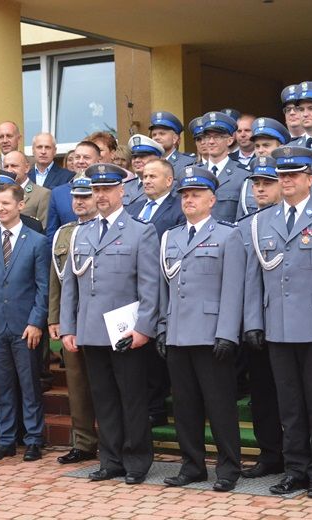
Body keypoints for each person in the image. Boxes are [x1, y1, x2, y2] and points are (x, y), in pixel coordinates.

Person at [243, 145, 312, 499]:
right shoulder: (263, 220)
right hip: (277, 325)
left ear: (310, 178)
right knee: (288, 403)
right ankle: (295, 469)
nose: (286, 181)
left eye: (293, 175)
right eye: (282, 176)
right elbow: (254, 277)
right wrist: (253, 321)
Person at [59, 163, 160, 485]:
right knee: (102, 399)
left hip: (125, 331)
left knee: (131, 398)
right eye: (96, 190)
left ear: (122, 191)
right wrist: (68, 326)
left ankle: (136, 460)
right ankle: (111, 459)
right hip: (91, 330)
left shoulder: (141, 231)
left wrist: (144, 327)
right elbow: (70, 285)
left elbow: (150, 285)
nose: (100, 196)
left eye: (106, 189)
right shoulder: (81, 233)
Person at [157, 166, 245, 492]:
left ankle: (228, 468)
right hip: (179, 332)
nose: (188, 200)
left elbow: (233, 289)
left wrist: (227, 333)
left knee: (220, 406)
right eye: (184, 195)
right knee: (185, 406)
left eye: (195, 194)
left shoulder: (228, 234)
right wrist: (163, 327)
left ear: (212, 199)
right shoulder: (171, 236)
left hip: (211, 334)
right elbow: (165, 289)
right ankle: (192, 465)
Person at [0, 183, 49, 463]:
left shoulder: (38, 241)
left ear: (20, 205)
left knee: (29, 386)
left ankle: (33, 439)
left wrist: (36, 322)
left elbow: (43, 287)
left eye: (6, 203)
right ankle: (5, 440)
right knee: (2, 386)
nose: (1, 208)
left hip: (25, 326)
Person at [126, 159, 184, 426]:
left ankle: (157, 407)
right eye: (144, 176)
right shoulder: (133, 208)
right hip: (133, 287)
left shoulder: (177, 208)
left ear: (169, 181)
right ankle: (144, 404)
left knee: (156, 348)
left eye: (153, 176)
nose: (146, 180)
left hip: (167, 284)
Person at [238, 157, 284, 479]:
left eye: (267, 182)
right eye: (256, 183)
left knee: (293, 397)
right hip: (257, 323)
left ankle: (298, 456)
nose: (260, 189)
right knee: (263, 397)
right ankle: (270, 454)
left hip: (291, 322)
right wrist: (251, 322)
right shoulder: (244, 226)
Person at [49, 178, 99, 465]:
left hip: (102, 318)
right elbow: (56, 279)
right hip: (74, 319)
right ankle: (83, 442)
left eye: (86, 197)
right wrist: (54, 317)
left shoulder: (107, 230)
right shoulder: (62, 235)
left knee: (107, 383)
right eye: (76, 198)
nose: (80, 202)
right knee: (77, 384)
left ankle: (116, 440)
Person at [199, 111, 250, 223]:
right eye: (207, 137)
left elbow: (244, 218)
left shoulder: (242, 175)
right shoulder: (197, 173)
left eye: (217, 137)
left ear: (230, 140)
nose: (211, 141)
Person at [237, 117, 292, 219]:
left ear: (281, 148)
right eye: (257, 146)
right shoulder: (248, 181)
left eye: (266, 145)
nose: (260, 150)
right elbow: (240, 220)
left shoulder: (293, 177)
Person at [46, 141, 102, 238]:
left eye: (86, 157)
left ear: (98, 161)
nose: (80, 161)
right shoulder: (58, 193)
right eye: (77, 157)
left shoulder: (106, 189)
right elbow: (52, 233)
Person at [2, 150, 50, 227]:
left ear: (26, 168)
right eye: (6, 166)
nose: (9, 170)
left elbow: (43, 228)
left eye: (14, 166)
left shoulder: (42, 194)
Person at [149, 111, 196, 178]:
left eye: (162, 134)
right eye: (154, 135)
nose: (156, 138)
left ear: (175, 138)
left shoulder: (188, 162)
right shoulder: (149, 163)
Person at [124, 134, 163, 208]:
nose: (137, 160)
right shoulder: (125, 186)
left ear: (158, 158)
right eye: (134, 157)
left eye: (142, 156)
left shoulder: (167, 185)